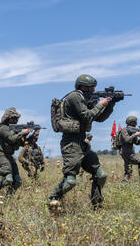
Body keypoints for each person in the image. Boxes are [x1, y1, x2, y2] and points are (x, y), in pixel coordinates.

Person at [48, 74, 113, 210]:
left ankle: (96, 206)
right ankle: (53, 199)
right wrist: (101, 104)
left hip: (82, 143)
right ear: (83, 87)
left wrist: (110, 105)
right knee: (70, 181)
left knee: (101, 175)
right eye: (91, 88)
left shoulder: (85, 99)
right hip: (71, 143)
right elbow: (87, 116)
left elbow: (99, 118)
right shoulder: (75, 97)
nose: (93, 91)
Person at [0, 107, 32, 195]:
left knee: (18, 182)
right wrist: (22, 133)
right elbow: (11, 139)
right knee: (8, 179)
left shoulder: (14, 130)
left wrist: (31, 136)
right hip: (1, 156)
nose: (16, 121)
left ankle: (7, 200)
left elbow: (21, 143)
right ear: (9, 119)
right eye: (14, 119)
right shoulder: (3, 129)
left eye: (17, 119)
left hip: (9, 157)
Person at [119, 116, 140, 182]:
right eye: (134, 122)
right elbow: (126, 139)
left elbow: (136, 143)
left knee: (128, 168)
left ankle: (125, 182)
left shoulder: (132, 131)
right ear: (130, 122)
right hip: (126, 151)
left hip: (128, 151)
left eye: (136, 122)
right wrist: (135, 135)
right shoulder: (124, 130)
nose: (136, 123)